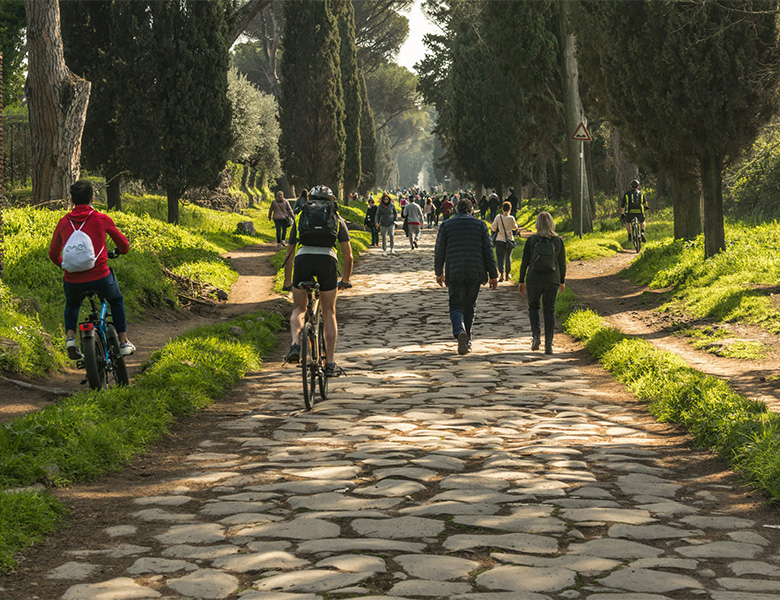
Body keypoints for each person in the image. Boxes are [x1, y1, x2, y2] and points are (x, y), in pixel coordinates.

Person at [48, 179, 135, 360]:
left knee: (72, 304)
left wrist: (65, 265)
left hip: (72, 280)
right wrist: (119, 251)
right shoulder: (101, 219)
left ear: (72, 200)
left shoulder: (64, 223)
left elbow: (53, 254)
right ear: (92, 198)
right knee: (116, 300)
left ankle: (71, 338)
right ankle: (124, 341)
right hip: (100, 277)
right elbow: (124, 246)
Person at [282, 185, 353, 377]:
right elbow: (348, 256)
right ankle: (329, 363)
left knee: (299, 308)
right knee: (329, 312)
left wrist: (288, 281)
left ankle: (296, 344)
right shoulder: (337, 220)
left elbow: (289, 253)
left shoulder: (300, 217)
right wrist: (345, 280)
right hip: (327, 262)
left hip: (303, 259)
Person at [434, 198, 498, 355]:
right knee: (470, 306)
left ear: (456, 209)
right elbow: (488, 251)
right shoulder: (480, 225)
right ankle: (467, 338)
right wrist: (493, 274)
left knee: (456, 306)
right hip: (475, 271)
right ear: (471, 209)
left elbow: (439, 250)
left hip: (455, 271)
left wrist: (438, 272)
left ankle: (459, 331)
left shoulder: (446, 225)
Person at [518, 211, 566, 355]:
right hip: (552, 279)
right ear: (552, 223)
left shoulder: (532, 240)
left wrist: (521, 280)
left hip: (534, 279)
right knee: (549, 310)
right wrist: (562, 280)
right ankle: (549, 344)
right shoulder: (558, 241)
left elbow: (525, 261)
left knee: (533, 307)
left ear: (537, 224)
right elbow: (562, 263)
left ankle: (536, 336)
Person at [491, 201, 518, 283]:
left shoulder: (498, 217)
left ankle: (501, 274)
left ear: (502, 209)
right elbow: (515, 227)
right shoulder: (511, 218)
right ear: (510, 209)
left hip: (499, 239)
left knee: (500, 257)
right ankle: (507, 275)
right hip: (509, 240)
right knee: (508, 257)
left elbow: (493, 228)